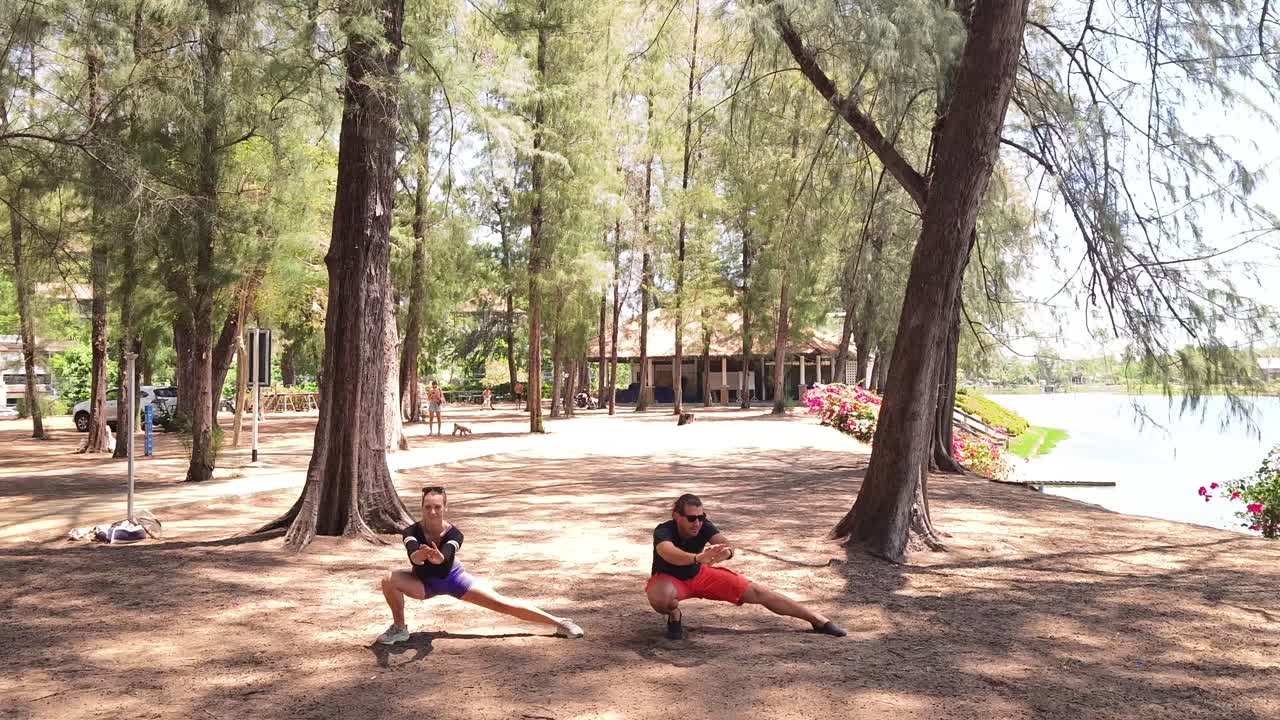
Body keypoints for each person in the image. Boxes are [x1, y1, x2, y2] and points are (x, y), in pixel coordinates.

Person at [378, 486, 585, 644]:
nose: (432, 511)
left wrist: (440, 558)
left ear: (445, 508)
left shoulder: (454, 533)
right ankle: (399, 628)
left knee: (502, 604)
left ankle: (560, 623)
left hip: (453, 579)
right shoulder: (411, 531)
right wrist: (420, 556)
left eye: (437, 507)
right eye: (428, 507)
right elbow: (413, 553)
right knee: (389, 579)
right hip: (424, 583)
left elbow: (448, 554)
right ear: (421, 508)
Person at [645, 493, 847, 640]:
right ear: (676, 516)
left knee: (760, 592)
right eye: (691, 518)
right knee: (662, 599)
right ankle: (674, 615)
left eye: (701, 517)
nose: (697, 523)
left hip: (700, 575)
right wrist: (698, 558)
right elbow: (667, 552)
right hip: (670, 580)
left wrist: (727, 553)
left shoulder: (704, 526)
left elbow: (727, 544)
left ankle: (818, 620)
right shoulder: (664, 531)